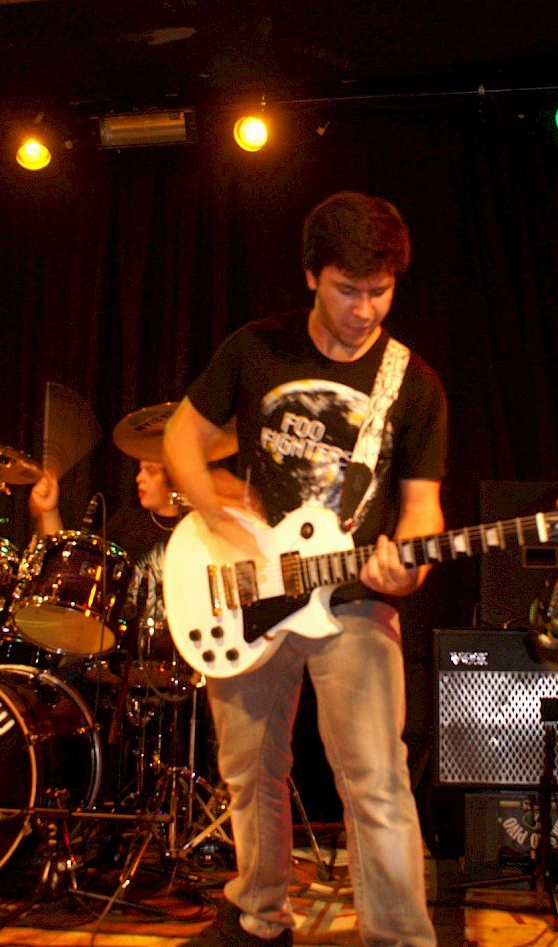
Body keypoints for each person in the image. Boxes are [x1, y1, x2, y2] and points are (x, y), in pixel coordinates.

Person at [163, 190, 447, 947]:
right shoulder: (255, 347)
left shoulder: (412, 382)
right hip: (248, 589)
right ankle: (259, 918)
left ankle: (400, 938)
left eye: (379, 291)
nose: (364, 310)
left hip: (352, 597)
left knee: (375, 779)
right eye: (348, 290)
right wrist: (217, 519)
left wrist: (409, 572)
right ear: (312, 275)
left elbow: (422, 509)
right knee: (249, 769)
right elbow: (181, 441)